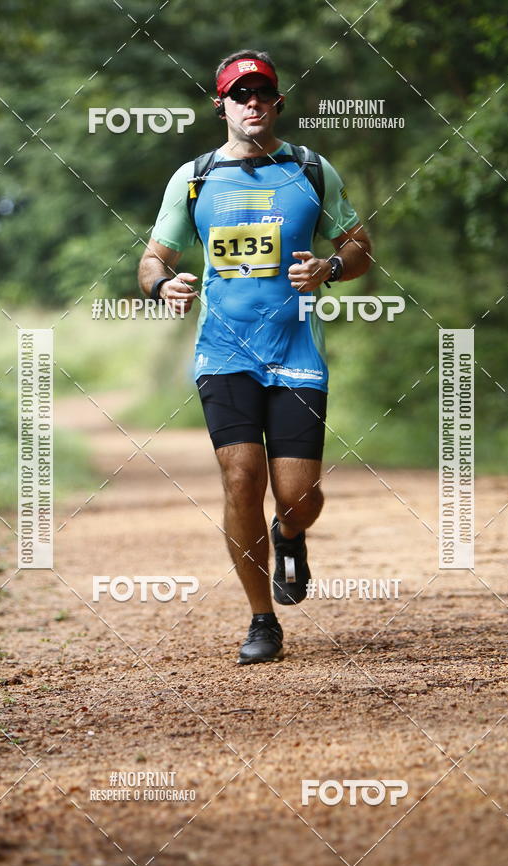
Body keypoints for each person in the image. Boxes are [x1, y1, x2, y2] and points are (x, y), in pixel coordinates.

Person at [138, 49, 372, 664]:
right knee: (242, 477)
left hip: (296, 351)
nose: (251, 103)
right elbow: (152, 259)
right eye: (238, 94)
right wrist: (165, 284)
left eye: (261, 92)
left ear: (277, 102)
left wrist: (331, 268)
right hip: (224, 352)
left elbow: (359, 245)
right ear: (221, 104)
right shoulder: (193, 179)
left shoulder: (312, 171)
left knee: (297, 494)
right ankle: (261, 620)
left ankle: (289, 534)